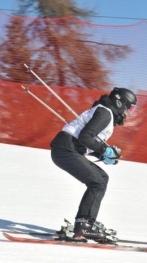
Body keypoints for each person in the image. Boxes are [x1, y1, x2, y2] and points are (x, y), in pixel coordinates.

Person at [50, 87, 137, 240]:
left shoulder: (105, 111)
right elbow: (85, 137)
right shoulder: (106, 113)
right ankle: (84, 225)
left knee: (101, 178)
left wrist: (102, 155)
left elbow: (86, 140)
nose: (128, 113)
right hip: (65, 149)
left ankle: (84, 223)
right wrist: (105, 150)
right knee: (98, 181)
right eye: (129, 108)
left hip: (67, 148)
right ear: (119, 102)